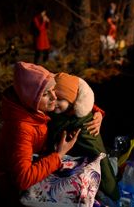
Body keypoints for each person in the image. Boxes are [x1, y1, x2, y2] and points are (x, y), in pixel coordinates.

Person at [0, 62, 102, 206]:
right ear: (31, 98)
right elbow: (23, 180)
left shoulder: (35, 106)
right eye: (46, 94)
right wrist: (58, 155)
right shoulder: (21, 129)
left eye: (53, 90)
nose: (54, 97)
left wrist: (97, 113)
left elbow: (73, 94)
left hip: (40, 166)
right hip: (20, 194)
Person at [47, 72, 120, 201]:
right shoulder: (62, 114)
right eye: (53, 97)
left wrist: (111, 191)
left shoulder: (85, 124)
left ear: (72, 101)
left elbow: (97, 155)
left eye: (60, 99)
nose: (54, 102)